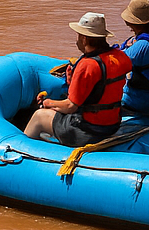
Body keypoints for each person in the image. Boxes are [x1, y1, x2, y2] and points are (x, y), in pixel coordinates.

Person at [23, 12, 133, 146]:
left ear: (84, 39)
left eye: (79, 36)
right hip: (112, 126)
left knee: (39, 116)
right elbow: (100, 86)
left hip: (88, 131)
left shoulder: (87, 65)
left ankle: (21, 150)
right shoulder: (120, 57)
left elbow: (70, 107)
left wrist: (47, 103)